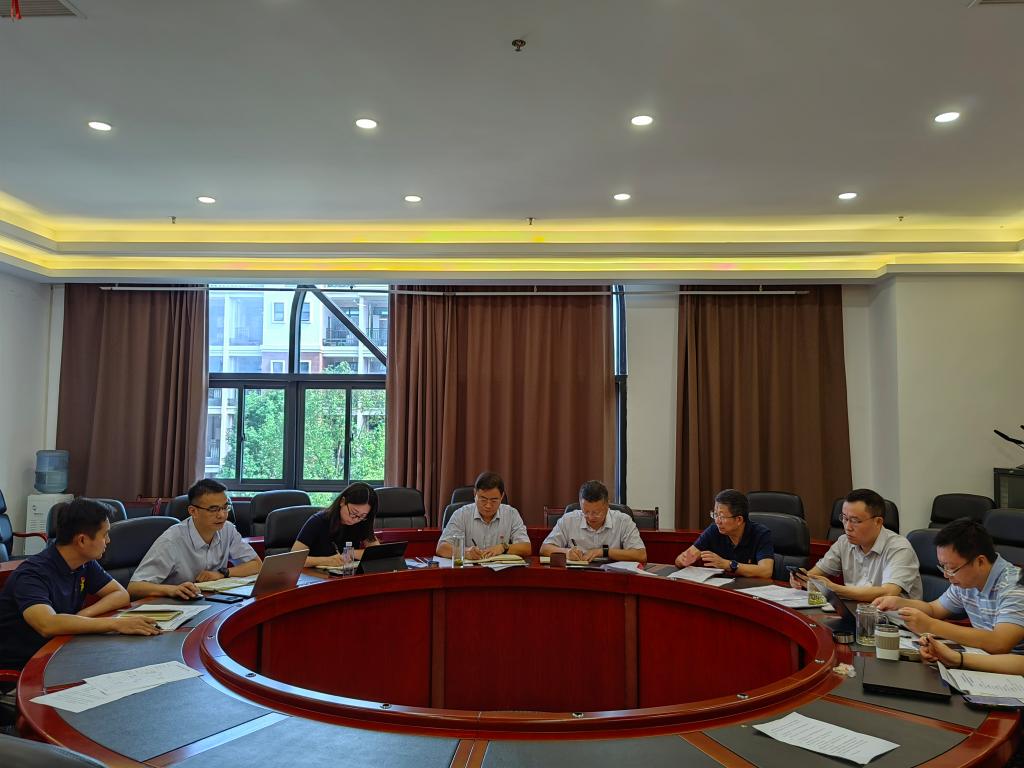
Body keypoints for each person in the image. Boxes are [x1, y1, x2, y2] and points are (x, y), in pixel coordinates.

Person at [0, 498, 160, 670]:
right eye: (104, 534)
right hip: (25, 667)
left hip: (62, 650)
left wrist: (83, 615)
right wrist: (116, 624)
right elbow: (47, 624)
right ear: (82, 540)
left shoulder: (84, 563)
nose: (108, 541)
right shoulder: (32, 574)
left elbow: (120, 594)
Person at [873, 518, 1024, 654]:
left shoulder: (1015, 586)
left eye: (951, 568)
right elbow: (934, 609)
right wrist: (899, 603)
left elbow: (999, 643)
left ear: (980, 562)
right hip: (982, 656)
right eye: (943, 567)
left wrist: (931, 626)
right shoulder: (967, 581)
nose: (946, 575)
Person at [129, 479, 261, 599]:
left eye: (225, 507)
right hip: (175, 604)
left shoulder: (227, 529)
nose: (222, 515)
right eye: (213, 509)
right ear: (193, 511)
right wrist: (172, 590)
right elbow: (134, 587)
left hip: (210, 600)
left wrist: (222, 573)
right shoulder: (172, 540)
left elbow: (256, 565)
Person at [790, 488, 922, 601]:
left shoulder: (899, 548)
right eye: (844, 518)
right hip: (856, 611)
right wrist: (802, 579)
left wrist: (834, 588)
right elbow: (816, 573)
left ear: (878, 522)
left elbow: (888, 592)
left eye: (855, 521)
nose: (847, 527)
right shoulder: (844, 542)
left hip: (896, 619)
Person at [674, 489, 773, 579]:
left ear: (739, 519)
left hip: (751, 588)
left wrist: (727, 564)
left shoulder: (761, 534)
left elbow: (766, 571)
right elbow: (681, 559)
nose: (717, 521)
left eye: (722, 516)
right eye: (715, 514)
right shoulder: (714, 530)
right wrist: (683, 561)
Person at [540, 480, 646, 563]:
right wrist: (567, 552)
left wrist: (604, 552)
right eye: (585, 512)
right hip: (577, 575)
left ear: (607, 505)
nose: (590, 517)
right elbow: (544, 549)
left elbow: (641, 555)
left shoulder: (623, 521)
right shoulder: (569, 520)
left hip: (612, 576)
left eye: (596, 512)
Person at [437, 472, 530, 560]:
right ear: (475, 494)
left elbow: (526, 548)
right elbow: (441, 548)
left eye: (494, 500)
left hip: (500, 570)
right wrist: (465, 552)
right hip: (469, 570)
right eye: (483, 499)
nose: (488, 505)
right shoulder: (461, 514)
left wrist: (503, 547)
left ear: (502, 496)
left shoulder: (511, 514)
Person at [291, 482, 382, 567]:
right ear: (342, 501)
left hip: (345, 574)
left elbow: (377, 553)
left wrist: (351, 553)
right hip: (315, 575)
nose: (355, 519)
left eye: (362, 516)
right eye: (353, 513)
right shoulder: (318, 521)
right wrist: (326, 561)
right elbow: (293, 559)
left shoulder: (362, 522)